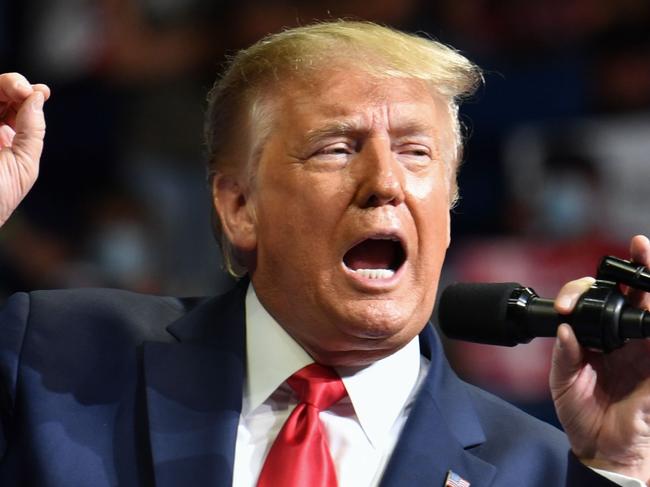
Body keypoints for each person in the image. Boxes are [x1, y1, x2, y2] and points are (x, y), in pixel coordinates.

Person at [1, 20, 650, 487]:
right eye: (336, 148)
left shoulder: (540, 468)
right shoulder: (54, 357)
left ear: (448, 204)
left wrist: (619, 470)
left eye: (416, 152)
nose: (386, 183)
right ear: (239, 207)